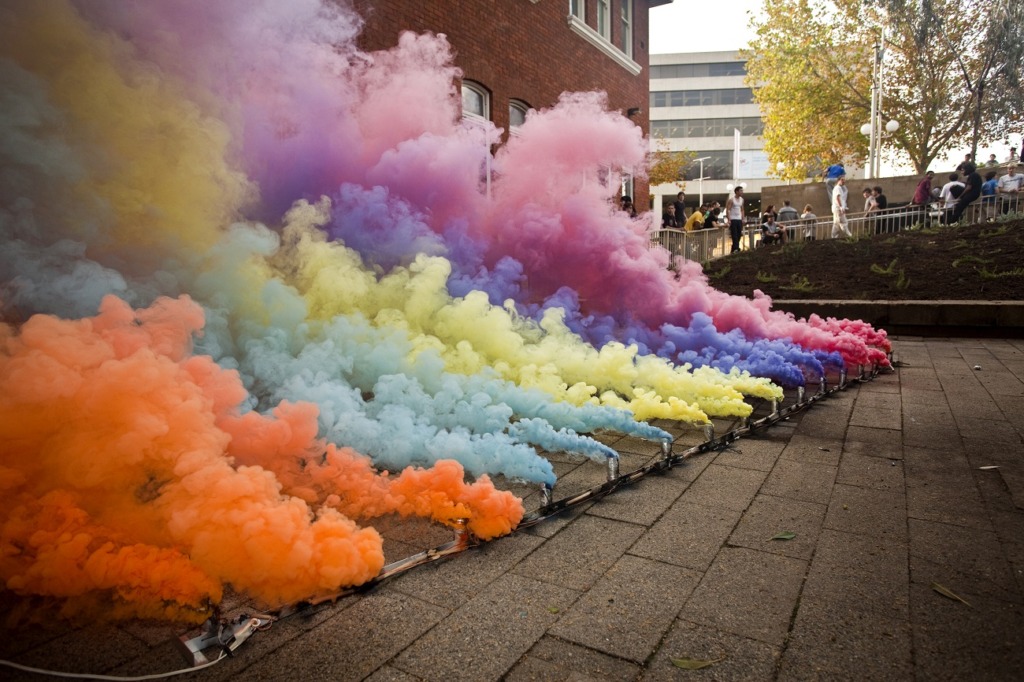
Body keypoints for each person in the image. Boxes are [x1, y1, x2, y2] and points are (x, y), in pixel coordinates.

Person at [726, 186, 745, 253]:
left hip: (739, 219)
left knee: (739, 234)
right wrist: (729, 219)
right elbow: (728, 209)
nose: (742, 192)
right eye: (740, 191)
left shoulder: (742, 200)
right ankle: (736, 248)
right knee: (734, 234)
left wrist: (743, 218)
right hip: (733, 219)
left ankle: (734, 248)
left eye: (742, 191)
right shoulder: (731, 200)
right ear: (736, 191)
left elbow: (742, 210)